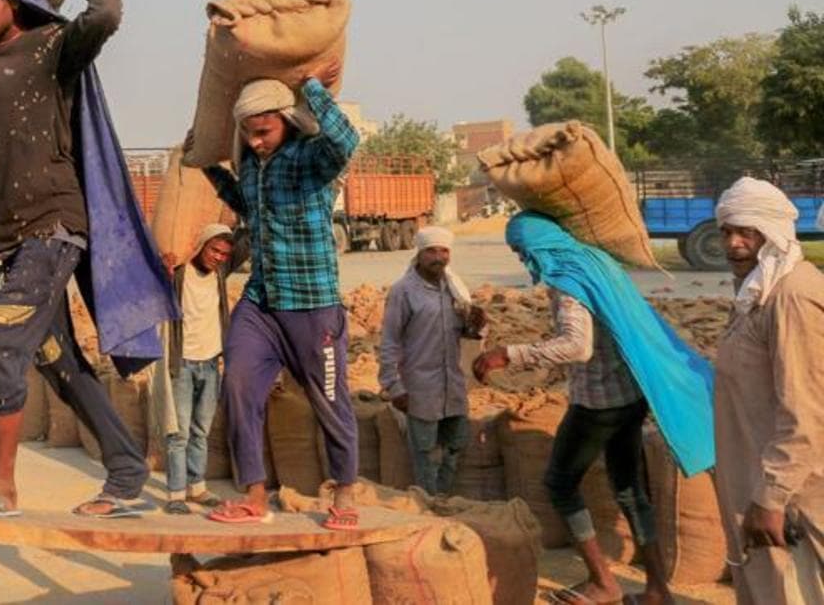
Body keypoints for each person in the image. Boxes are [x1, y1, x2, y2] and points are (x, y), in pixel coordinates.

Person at [0, 0, 171, 519]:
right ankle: (127, 471)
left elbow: (104, 15)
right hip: (15, 236)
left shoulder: (54, 46)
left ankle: (1, 484)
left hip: (54, 227)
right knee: (56, 358)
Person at [474, 211, 715, 605]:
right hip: (630, 393)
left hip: (599, 402)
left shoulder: (567, 281)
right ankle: (657, 589)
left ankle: (603, 582)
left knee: (560, 483)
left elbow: (577, 346)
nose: (522, 258)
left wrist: (509, 354)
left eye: (521, 250)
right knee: (629, 489)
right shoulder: (596, 263)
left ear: (540, 245)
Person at [190, 72, 363, 528]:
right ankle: (253, 496)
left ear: (286, 120)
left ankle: (345, 494)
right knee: (238, 385)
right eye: (248, 133)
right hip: (262, 302)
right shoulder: (251, 165)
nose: (255, 141)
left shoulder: (311, 158)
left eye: (264, 131)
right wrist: (209, 165)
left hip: (312, 305)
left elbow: (347, 141)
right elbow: (245, 203)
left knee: (330, 400)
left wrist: (312, 88)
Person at [711, 178, 824, 604]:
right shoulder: (759, 291)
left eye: (747, 232)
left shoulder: (791, 297)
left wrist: (770, 498)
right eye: (726, 232)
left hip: (792, 498)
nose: (733, 243)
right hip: (758, 482)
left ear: (774, 233)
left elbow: (805, 412)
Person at [379, 226, 486, 496]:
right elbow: (390, 341)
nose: (439, 257)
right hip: (420, 388)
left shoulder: (455, 290)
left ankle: (444, 498)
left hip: (453, 386)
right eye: (431, 251)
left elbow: (464, 335)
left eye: (444, 251)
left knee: (455, 445)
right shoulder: (403, 291)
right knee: (425, 452)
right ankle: (427, 503)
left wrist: (475, 325)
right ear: (419, 253)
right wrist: (394, 386)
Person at [152, 224, 237, 515]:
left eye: (224, 254)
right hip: (183, 364)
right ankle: (176, 494)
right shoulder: (178, 274)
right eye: (214, 250)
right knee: (179, 434)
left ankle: (197, 487)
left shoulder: (220, 275)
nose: (218, 257)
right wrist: (163, 264)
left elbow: (247, 239)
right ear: (201, 246)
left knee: (201, 431)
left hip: (211, 363)